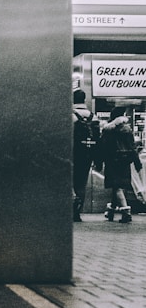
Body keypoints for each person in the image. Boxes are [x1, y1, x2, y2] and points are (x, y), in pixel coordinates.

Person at [100, 106, 142, 223]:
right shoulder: (127, 130)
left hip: (112, 161)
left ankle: (126, 212)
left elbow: (103, 148)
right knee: (117, 186)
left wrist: (99, 162)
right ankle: (111, 211)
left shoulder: (108, 130)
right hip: (125, 161)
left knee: (116, 186)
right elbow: (132, 147)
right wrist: (137, 163)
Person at [72, 90, 98, 222]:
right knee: (81, 183)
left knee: (69, 181)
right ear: (84, 99)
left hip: (73, 154)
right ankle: (77, 211)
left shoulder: (71, 116)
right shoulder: (93, 117)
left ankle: (71, 206)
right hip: (87, 154)